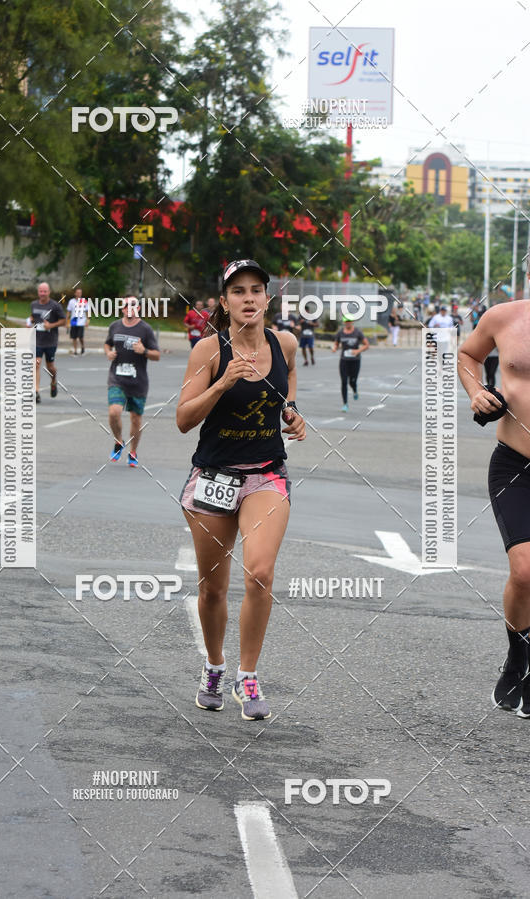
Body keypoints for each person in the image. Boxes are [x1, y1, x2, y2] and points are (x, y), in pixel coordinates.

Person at [176, 258, 306, 721]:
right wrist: (222, 383)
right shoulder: (208, 352)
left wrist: (292, 413)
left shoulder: (284, 343)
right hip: (213, 477)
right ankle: (214, 666)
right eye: (238, 291)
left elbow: (287, 387)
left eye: (256, 290)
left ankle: (247, 676)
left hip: (266, 474)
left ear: (266, 297)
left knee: (260, 573)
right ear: (224, 301)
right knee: (213, 589)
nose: (248, 298)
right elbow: (183, 419)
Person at [458, 288, 530, 716]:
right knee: (523, 572)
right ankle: (518, 655)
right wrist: (477, 392)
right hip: (514, 464)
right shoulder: (504, 318)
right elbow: (467, 355)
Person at [105, 296, 160, 466]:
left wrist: (144, 351)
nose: (130, 308)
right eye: (127, 305)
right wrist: (108, 352)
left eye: (133, 305)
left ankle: (133, 451)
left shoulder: (145, 329)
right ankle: (119, 441)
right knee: (114, 412)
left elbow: (156, 355)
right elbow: (107, 344)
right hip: (117, 378)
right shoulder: (115, 326)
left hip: (138, 381)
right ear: (122, 309)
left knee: (135, 418)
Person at [28, 282, 66, 403]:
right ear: (38, 292)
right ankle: (36, 392)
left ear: (49, 292)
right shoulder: (33, 304)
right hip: (37, 340)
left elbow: (64, 321)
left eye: (45, 291)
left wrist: (51, 325)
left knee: (50, 367)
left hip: (50, 341)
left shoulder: (55, 306)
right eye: (41, 291)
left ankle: (53, 380)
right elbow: (33, 317)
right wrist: (29, 322)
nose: (43, 293)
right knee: (36, 364)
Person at [332, 314, 369, 412]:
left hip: (355, 361)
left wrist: (357, 351)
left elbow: (366, 345)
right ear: (344, 322)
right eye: (346, 321)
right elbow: (336, 343)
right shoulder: (340, 333)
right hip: (344, 361)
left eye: (349, 321)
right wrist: (335, 348)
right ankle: (345, 404)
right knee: (344, 382)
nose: (348, 323)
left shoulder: (358, 332)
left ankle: (355, 390)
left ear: (352, 321)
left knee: (352, 381)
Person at [66, 287, 90, 355]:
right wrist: (67, 322)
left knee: (80, 337)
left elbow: (87, 311)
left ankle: (82, 347)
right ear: (75, 293)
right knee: (74, 337)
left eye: (80, 293)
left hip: (81, 322)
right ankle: (75, 350)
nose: (79, 294)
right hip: (73, 321)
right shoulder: (71, 301)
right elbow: (68, 312)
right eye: (78, 293)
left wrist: (88, 320)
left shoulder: (84, 301)